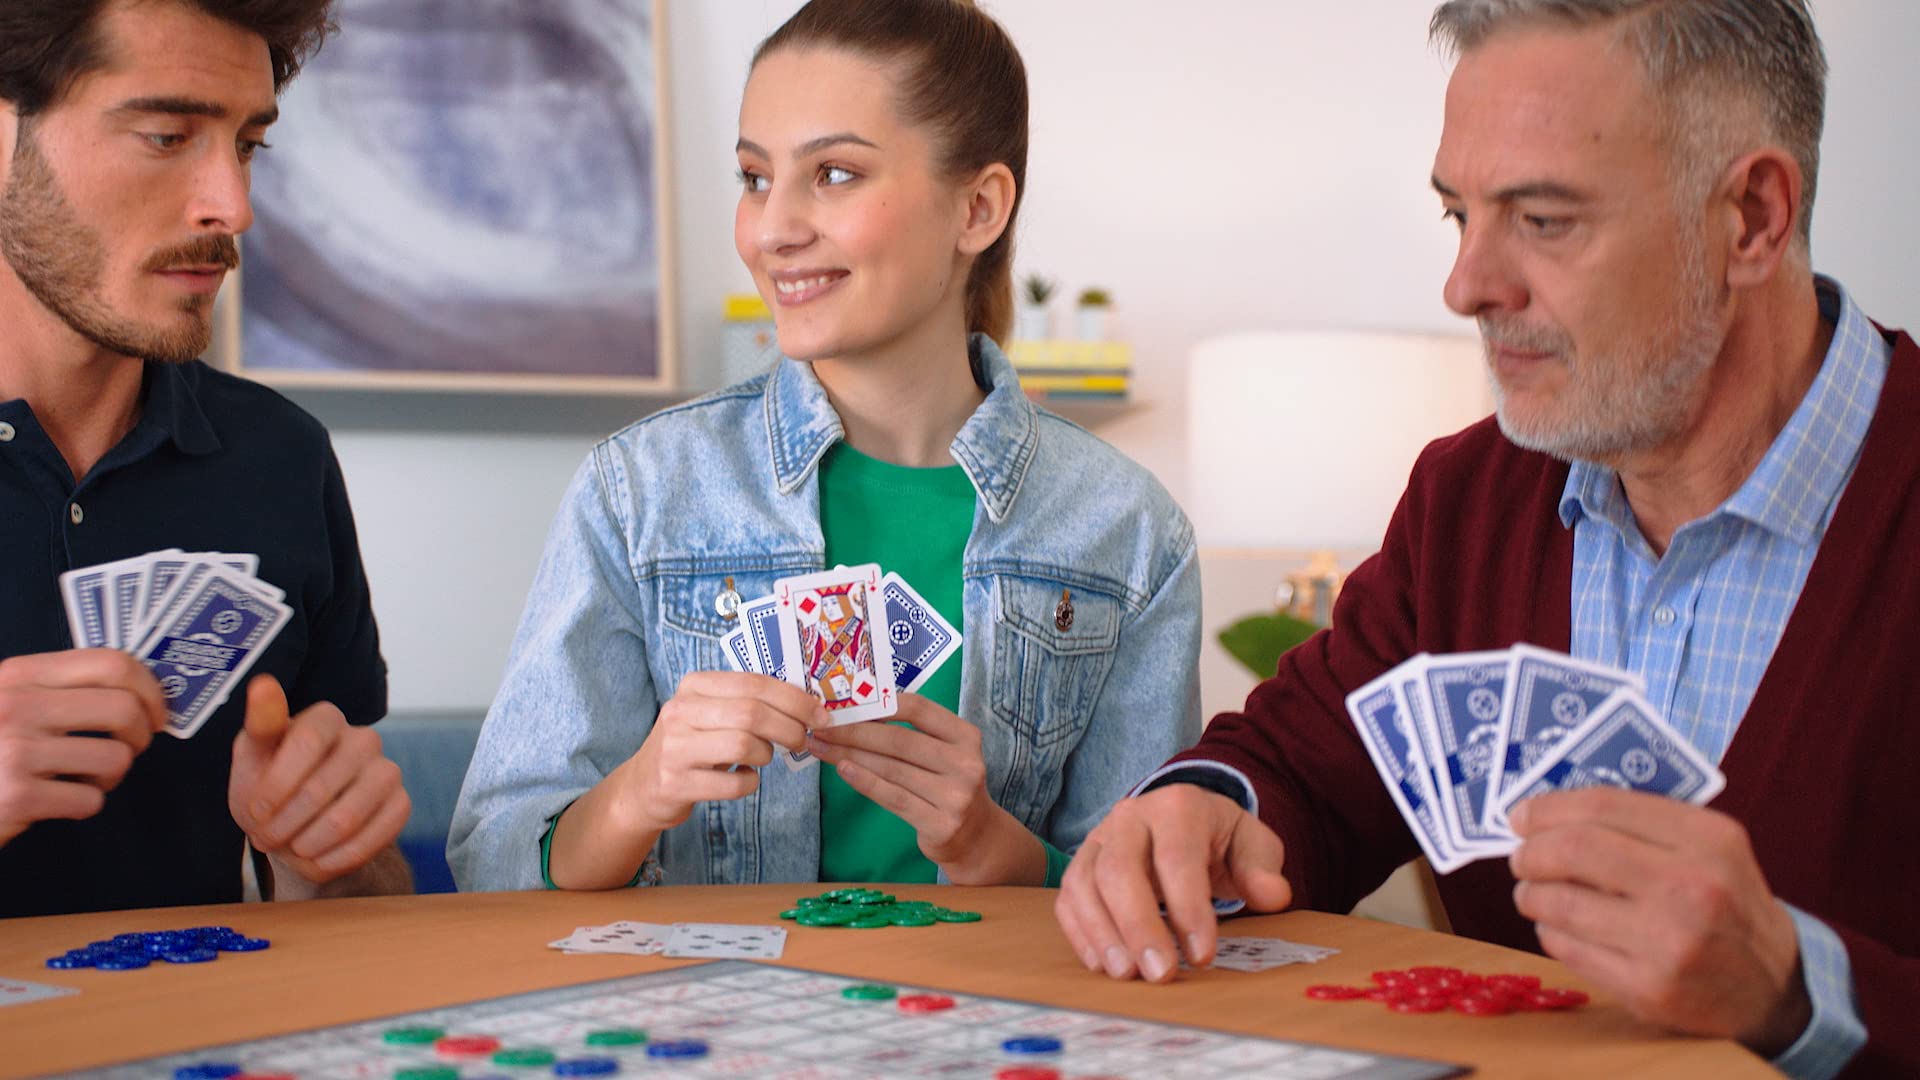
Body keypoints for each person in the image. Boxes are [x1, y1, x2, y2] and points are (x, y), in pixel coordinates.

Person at [1055, 2, 1912, 1077]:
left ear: (1752, 217)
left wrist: (1798, 988)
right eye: (1460, 213)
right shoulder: (1466, 498)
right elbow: (1300, 769)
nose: (1466, 285)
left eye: (1544, 221)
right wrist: (1201, 808)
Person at [449, 0, 1199, 893]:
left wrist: (990, 848)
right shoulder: (639, 492)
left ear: (979, 207)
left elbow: (1147, 895)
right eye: (755, 177)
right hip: (709, 1019)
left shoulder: (1132, 534)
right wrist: (637, 791)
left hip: (998, 1028)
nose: (771, 229)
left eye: (835, 174)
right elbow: (494, 862)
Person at [0, 0, 412, 917]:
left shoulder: (281, 457)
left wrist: (327, 857)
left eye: (248, 145)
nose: (233, 207)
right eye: (165, 135)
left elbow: (362, 917)